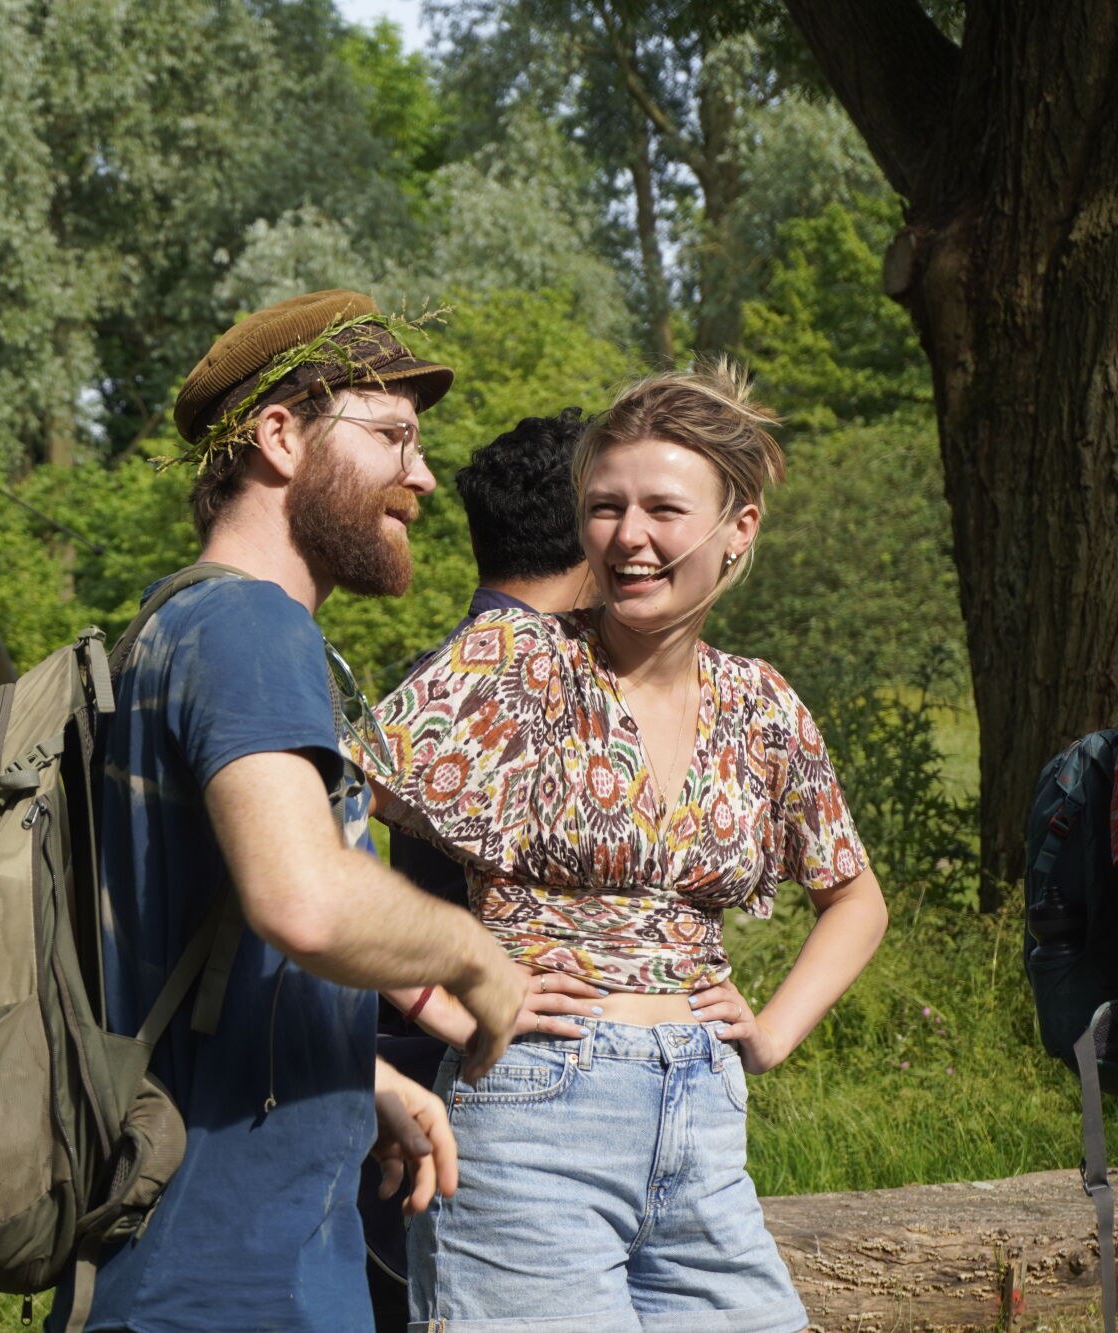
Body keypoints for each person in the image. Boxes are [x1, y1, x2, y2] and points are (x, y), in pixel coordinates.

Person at [365, 362, 888, 1333]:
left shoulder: (760, 703)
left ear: (737, 529)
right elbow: (318, 825)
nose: (627, 536)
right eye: (604, 508)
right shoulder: (516, 663)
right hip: (531, 1115)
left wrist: (770, 1033)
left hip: (705, 1120)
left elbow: (854, 899)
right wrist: (433, 999)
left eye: (662, 508)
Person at [46, 289, 526, 1333]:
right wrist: (477, 959)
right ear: (279, 435)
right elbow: (301, 899)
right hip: (224, 1283)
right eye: (390, 436)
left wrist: (356, 1081)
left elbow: (194, 953)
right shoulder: (252, 630)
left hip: (190, 1264)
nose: (421, 476)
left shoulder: (174, 625)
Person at [360, 408, 605, 1332]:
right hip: (491, 1090)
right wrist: (448, 997)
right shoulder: (530, 680)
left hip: (427, 1080)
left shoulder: (437, 670)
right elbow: (311, 848)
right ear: (590, 530)